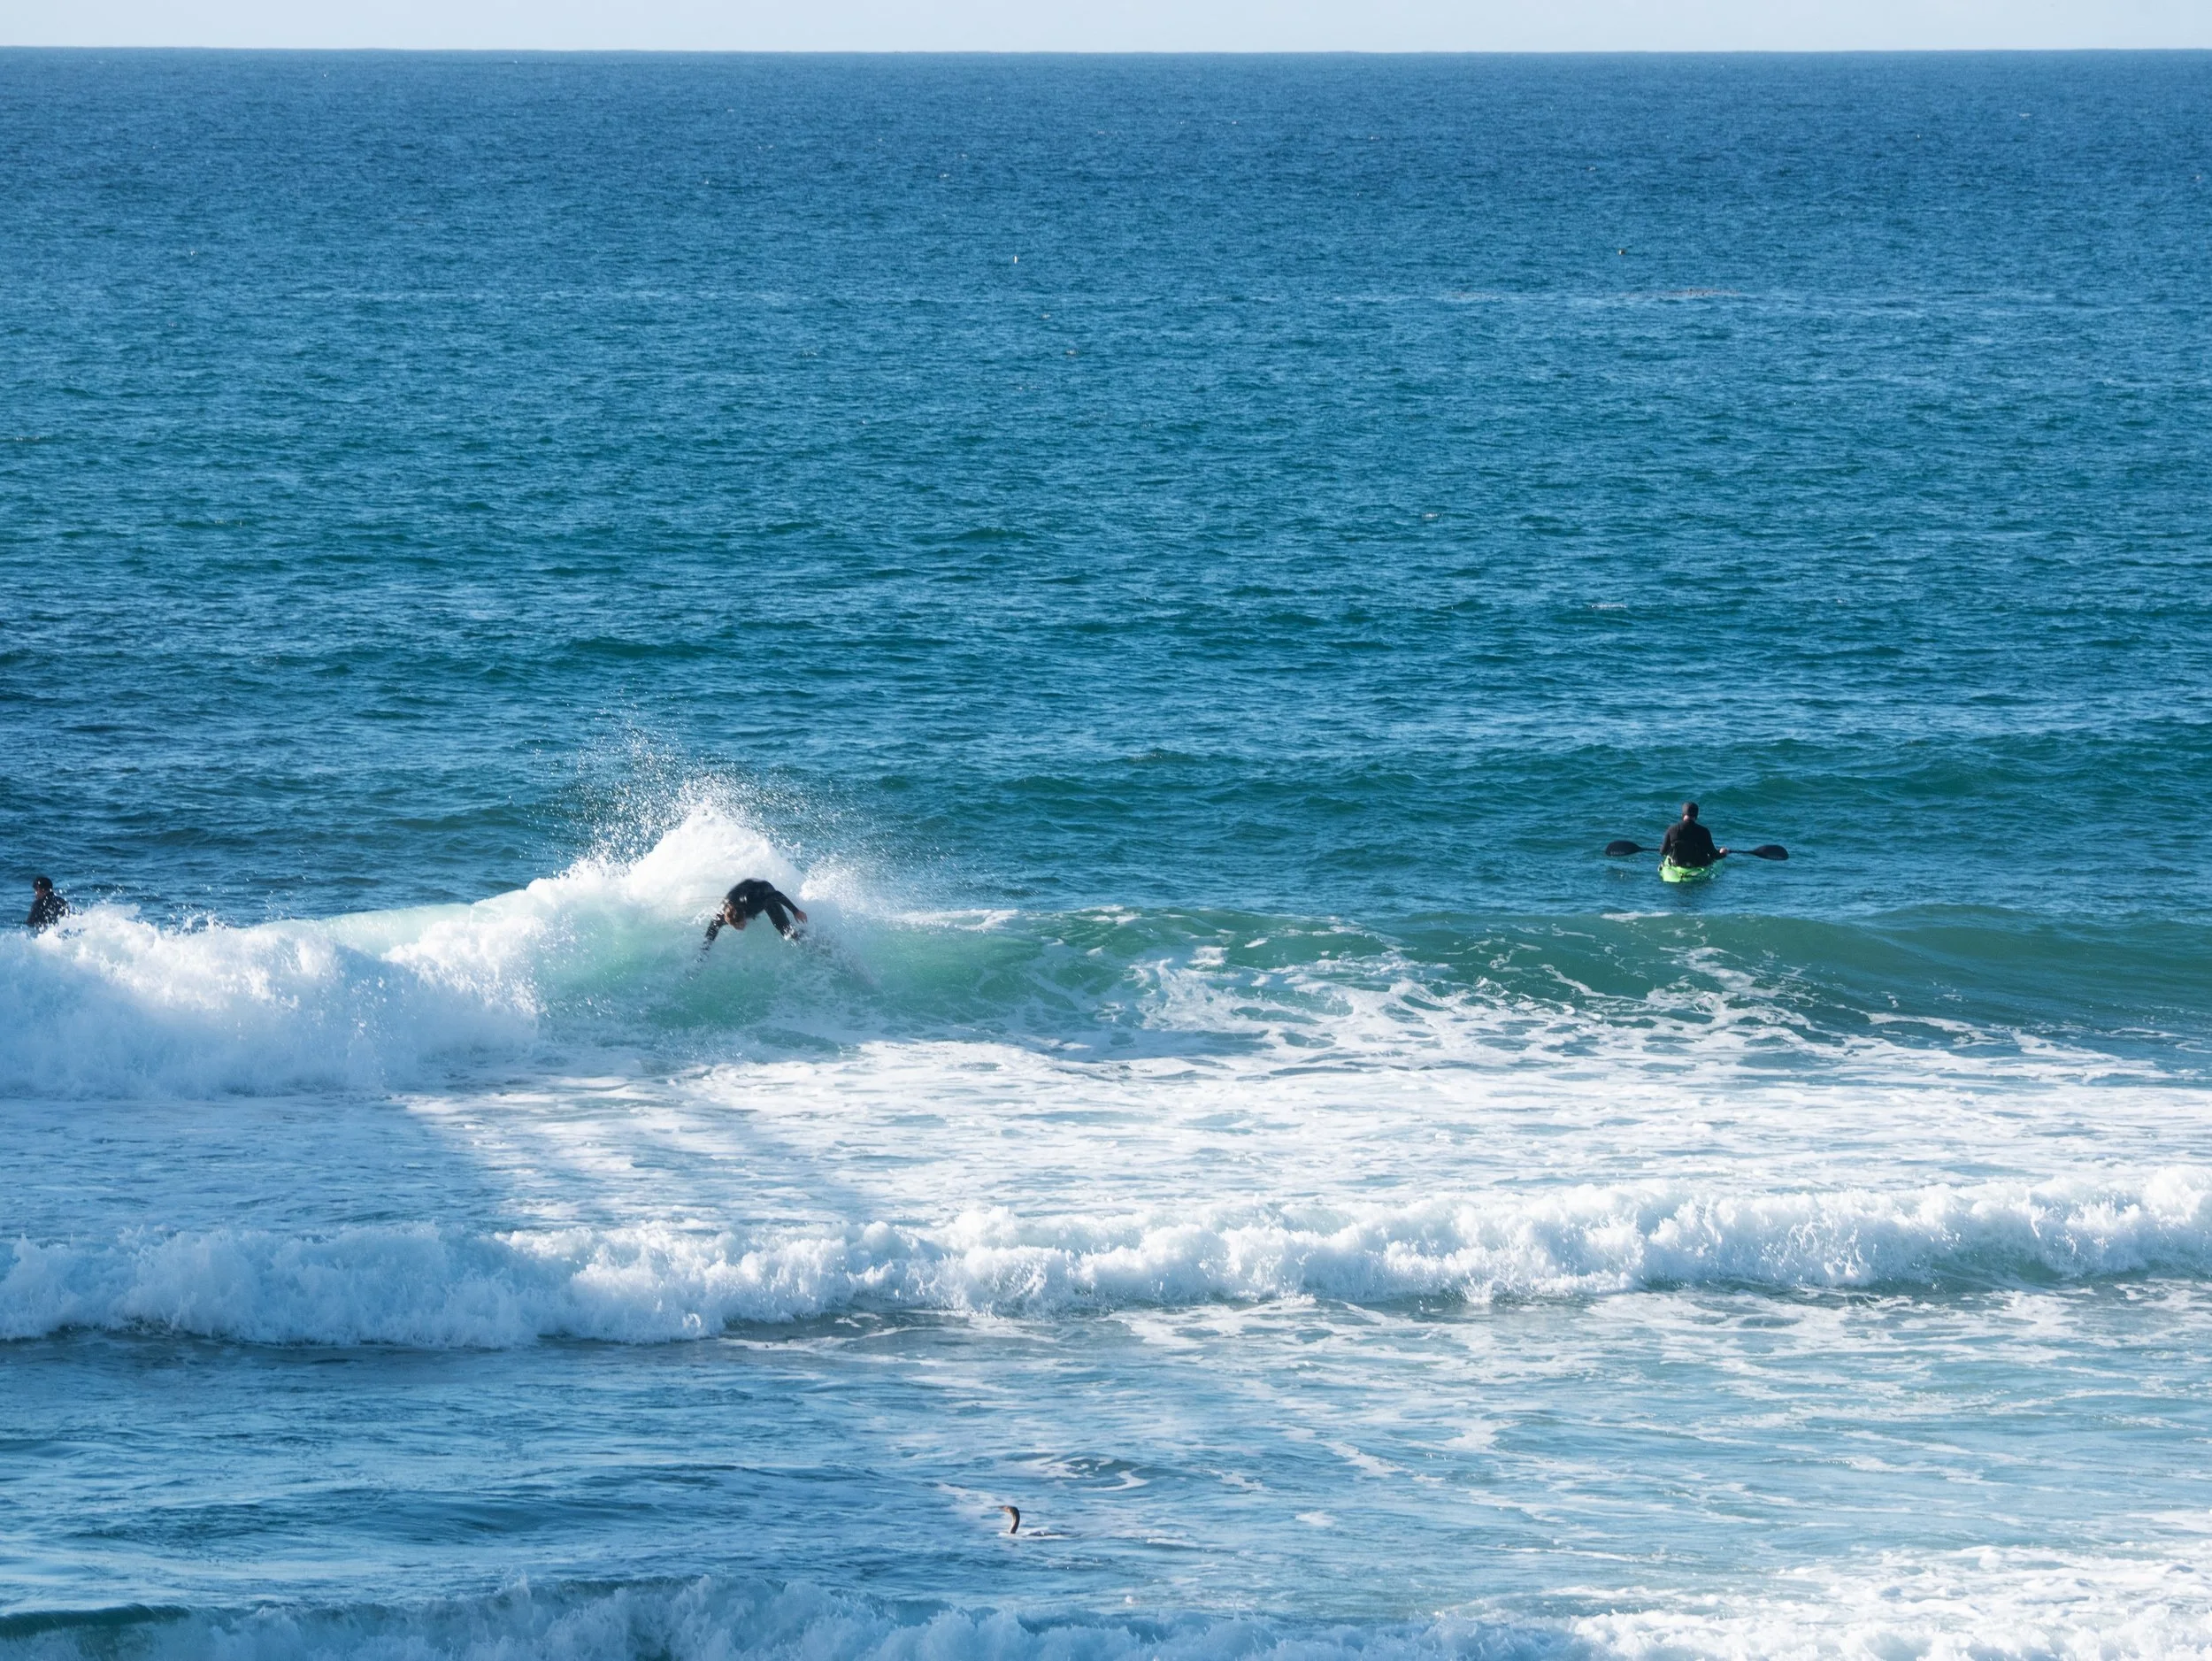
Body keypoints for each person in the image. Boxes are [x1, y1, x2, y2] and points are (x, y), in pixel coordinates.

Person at [703, 879, 808, 948]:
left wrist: (795, 911)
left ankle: (809, 940)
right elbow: (711, 933)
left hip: (764, 890)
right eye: (736, 926)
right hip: (744, 890)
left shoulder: (756, 903)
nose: (740, 928)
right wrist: (704, 952)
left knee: (787, 932)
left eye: (741, 924)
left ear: (744, 915)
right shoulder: (722, 915)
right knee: (716, 925)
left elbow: (777, 895)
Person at [1658, 803, 1729, 871]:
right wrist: (1723, 853)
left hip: (1677, 864)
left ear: (1682, 815)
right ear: (1696, 816)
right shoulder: (1704, 831)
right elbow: (1713, 855)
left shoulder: (1672, 829)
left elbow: (1662, 852)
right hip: (1699, 866)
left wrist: (1664, 848)